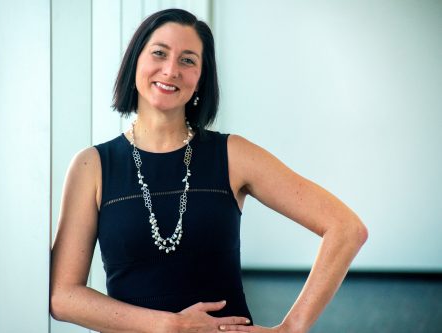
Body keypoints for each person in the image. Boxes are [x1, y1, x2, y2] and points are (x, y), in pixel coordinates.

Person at [50, 8, 368, 333]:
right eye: (159, 53)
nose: (171, 69)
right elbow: (63, 296)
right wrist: (171, 326)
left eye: (188, 60)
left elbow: (346, 228)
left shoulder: (233, 155)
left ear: (201, 77)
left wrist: (292, 327)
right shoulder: (91, 166)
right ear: (135, 62)